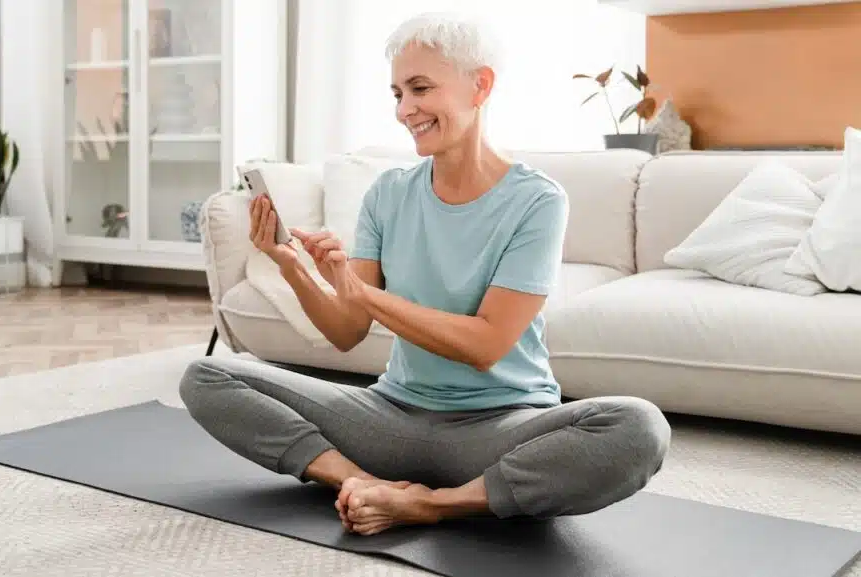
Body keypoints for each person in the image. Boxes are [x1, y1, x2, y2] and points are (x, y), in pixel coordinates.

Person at [180, 12, 671, 536]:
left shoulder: (537, 201)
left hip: (500, 425)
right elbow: (346, 333)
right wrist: (294, 268)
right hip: (390, 417)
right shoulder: (388, 194)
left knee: (639, 427)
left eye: (420, 88)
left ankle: (436, 505)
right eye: (397, 93)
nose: (404, 109)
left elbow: (485, 345)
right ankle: (363, 483)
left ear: (479, 85)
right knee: (206, 377)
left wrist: (360, 293)